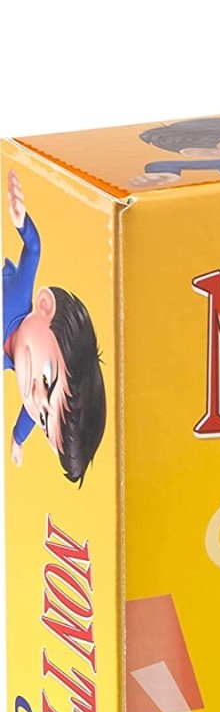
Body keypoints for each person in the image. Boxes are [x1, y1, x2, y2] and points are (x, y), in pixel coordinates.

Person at [3, 171, 106, 481]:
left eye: (45, 421)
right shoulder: (19, 295)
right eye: (47, 380)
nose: (35, 394)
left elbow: (31, 410)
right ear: (45, 306)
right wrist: (21, 221)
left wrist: (17, 439)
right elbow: (34, 249)